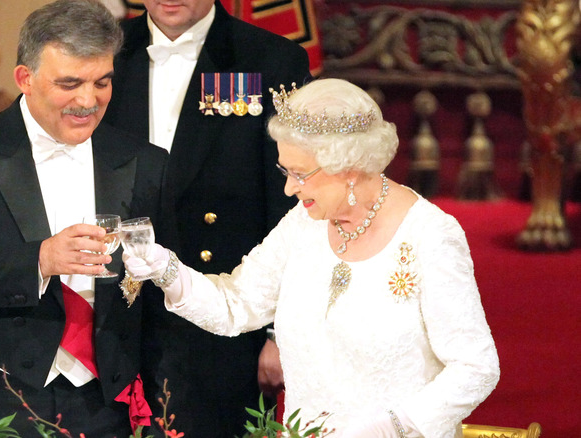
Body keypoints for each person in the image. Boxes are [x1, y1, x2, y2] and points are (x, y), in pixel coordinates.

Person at [124, 78, 500, 437]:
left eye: (300, 174)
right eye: (285, 171)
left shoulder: (430, 236)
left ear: (348, 168)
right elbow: (236, 305)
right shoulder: (304, 224)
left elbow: (476, 368)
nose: (289, 188)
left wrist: (392, 427)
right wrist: (165, 269)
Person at [0, 1, 166, 437]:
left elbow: (159, 299)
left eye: (101, 82)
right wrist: (41, 259)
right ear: (24, 78)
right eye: (69, 83)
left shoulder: (145, 163)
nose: (88, 101)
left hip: (110, 399)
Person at [102, 0, 311, 435]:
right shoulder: (103, 49)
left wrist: (278, 332)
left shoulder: (269, 58)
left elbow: (291, 205)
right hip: (114, 310)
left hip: (222, 313)